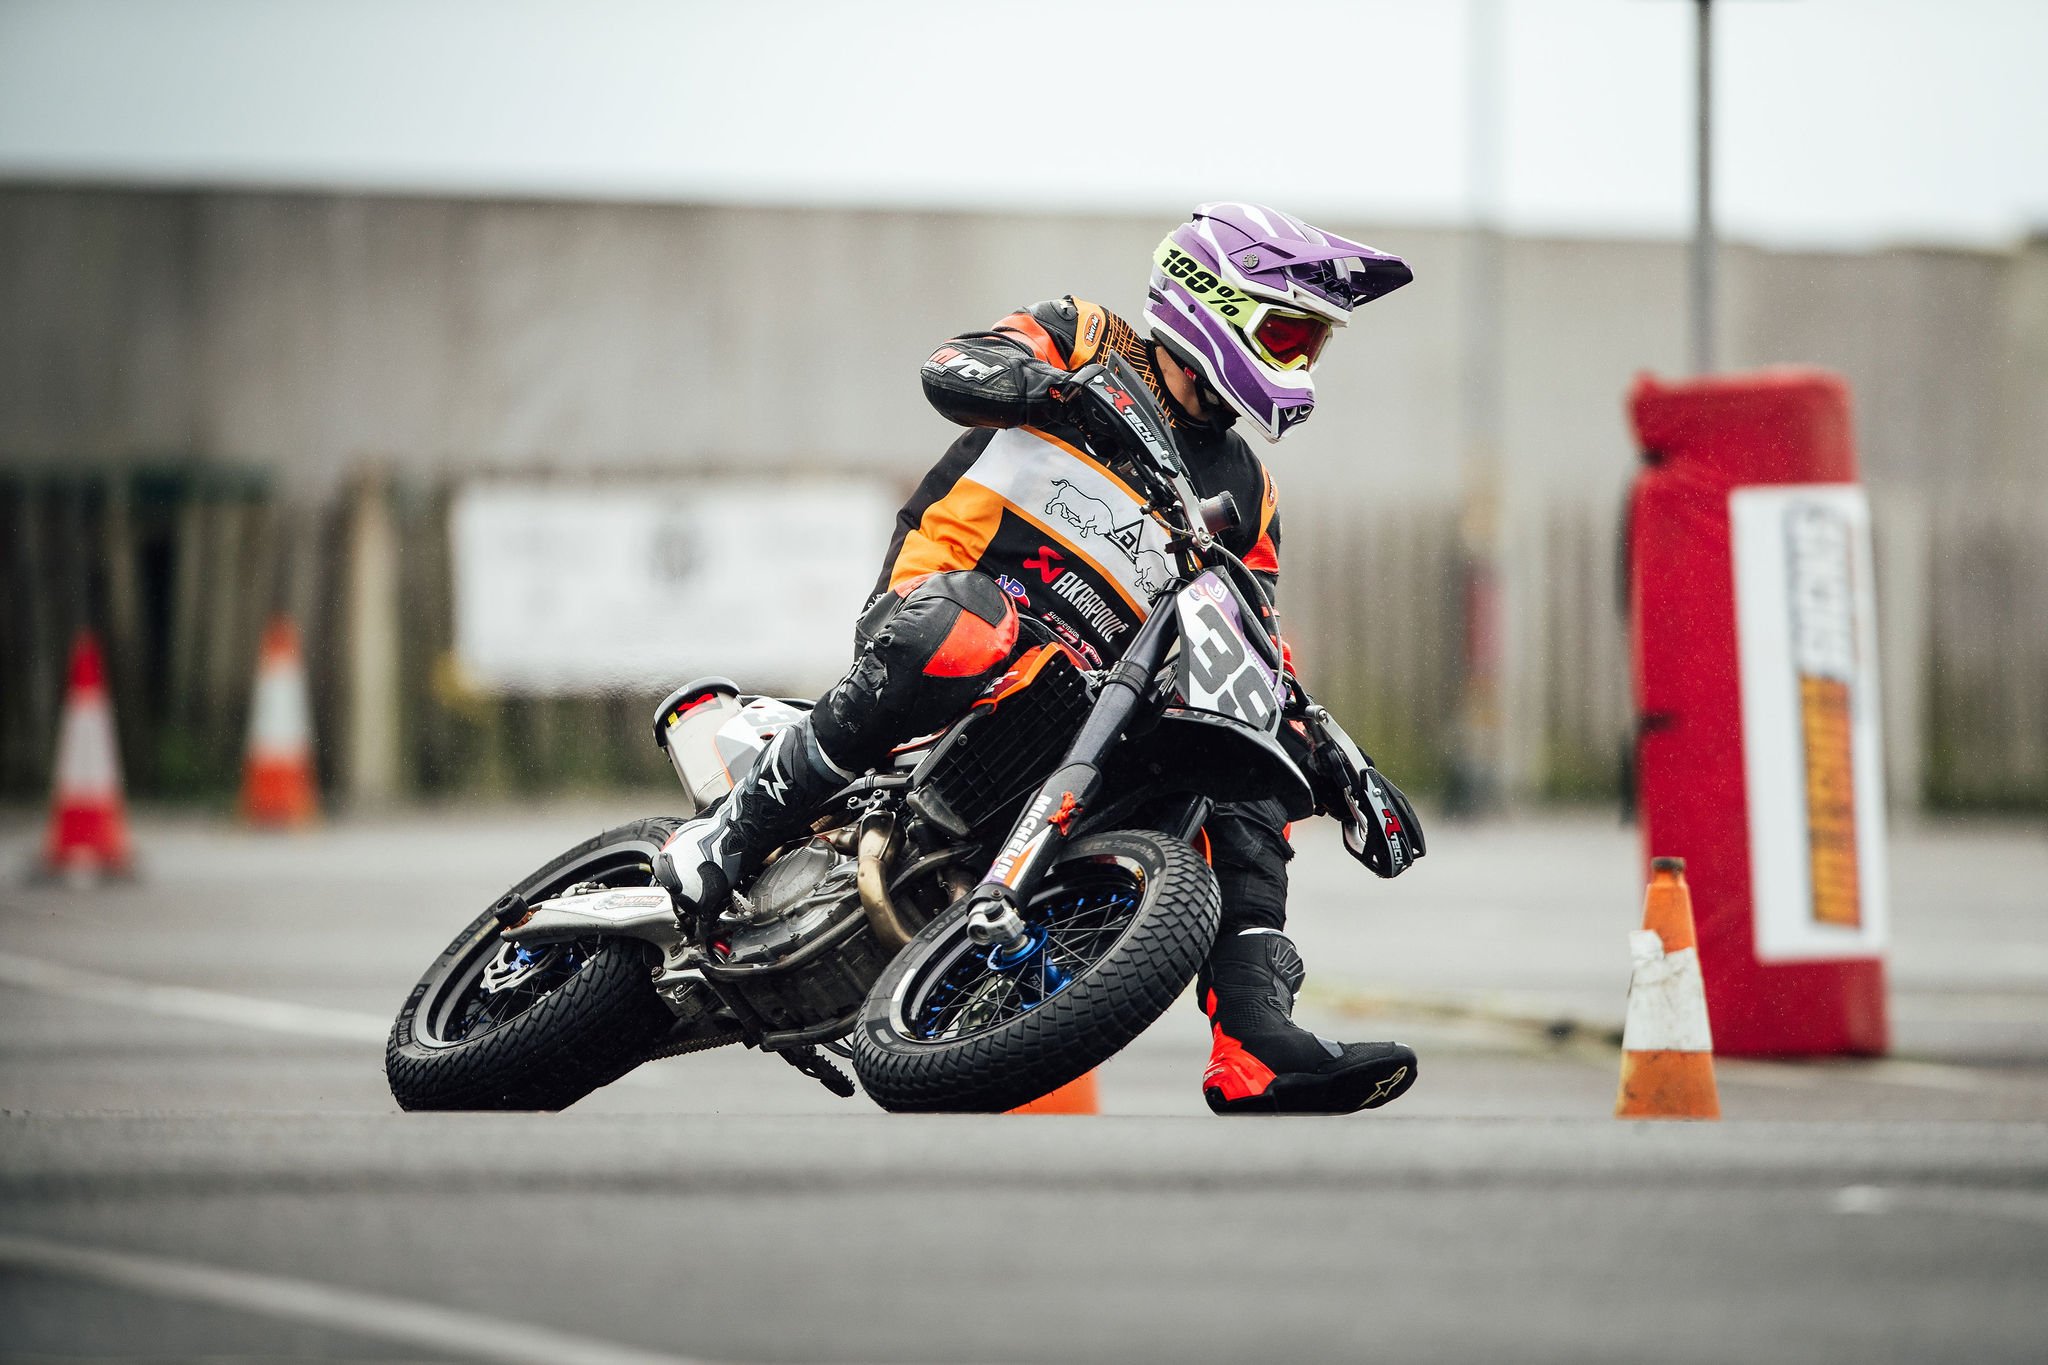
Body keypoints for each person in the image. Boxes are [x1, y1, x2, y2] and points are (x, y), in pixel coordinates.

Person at [660, 202, 1427, 1114]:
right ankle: (735, 828)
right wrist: (1043, 386)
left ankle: (1254, 1042)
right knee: (970, 623)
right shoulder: (1086, 334)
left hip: (1081, 701)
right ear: (1213, 304)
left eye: (1313, 346)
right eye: (1289, 334)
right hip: (950, 609)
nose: (1299, 362)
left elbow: (1252, 642)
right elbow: (952, 365)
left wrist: (1337, 754)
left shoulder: (1248, 490)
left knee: (1242, 757)